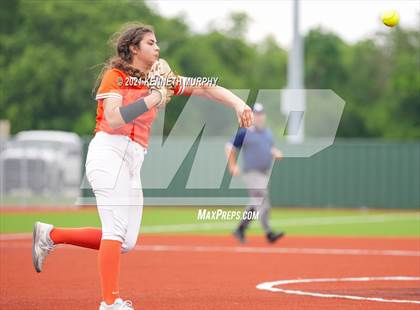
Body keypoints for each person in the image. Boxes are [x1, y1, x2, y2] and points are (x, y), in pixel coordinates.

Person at [32, 22, 253, 310]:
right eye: (150, 42)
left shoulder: (159, 79)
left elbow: (205, 88)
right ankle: (110, 303)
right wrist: (154, 96)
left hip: (133, 160)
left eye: (156, 42)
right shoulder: (116, 76)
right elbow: (113, 119)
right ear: (134, 48)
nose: (157, 47)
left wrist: (239, 104)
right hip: (108, 153)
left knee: (126, 241)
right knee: (114, 230)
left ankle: (51, 235)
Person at [225, 102, 284, 244]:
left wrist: (274, 152)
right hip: (252, 173)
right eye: (256, 114)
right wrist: (232, 165)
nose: (259, 117)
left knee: (256, 202)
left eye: (261, 114)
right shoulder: (245, 132)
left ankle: (240, 229)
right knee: (263, 199)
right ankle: (269, 233)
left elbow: (268, 148)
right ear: (251, 116)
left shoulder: (267, 133)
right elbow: (229, 146)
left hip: (264, 173)